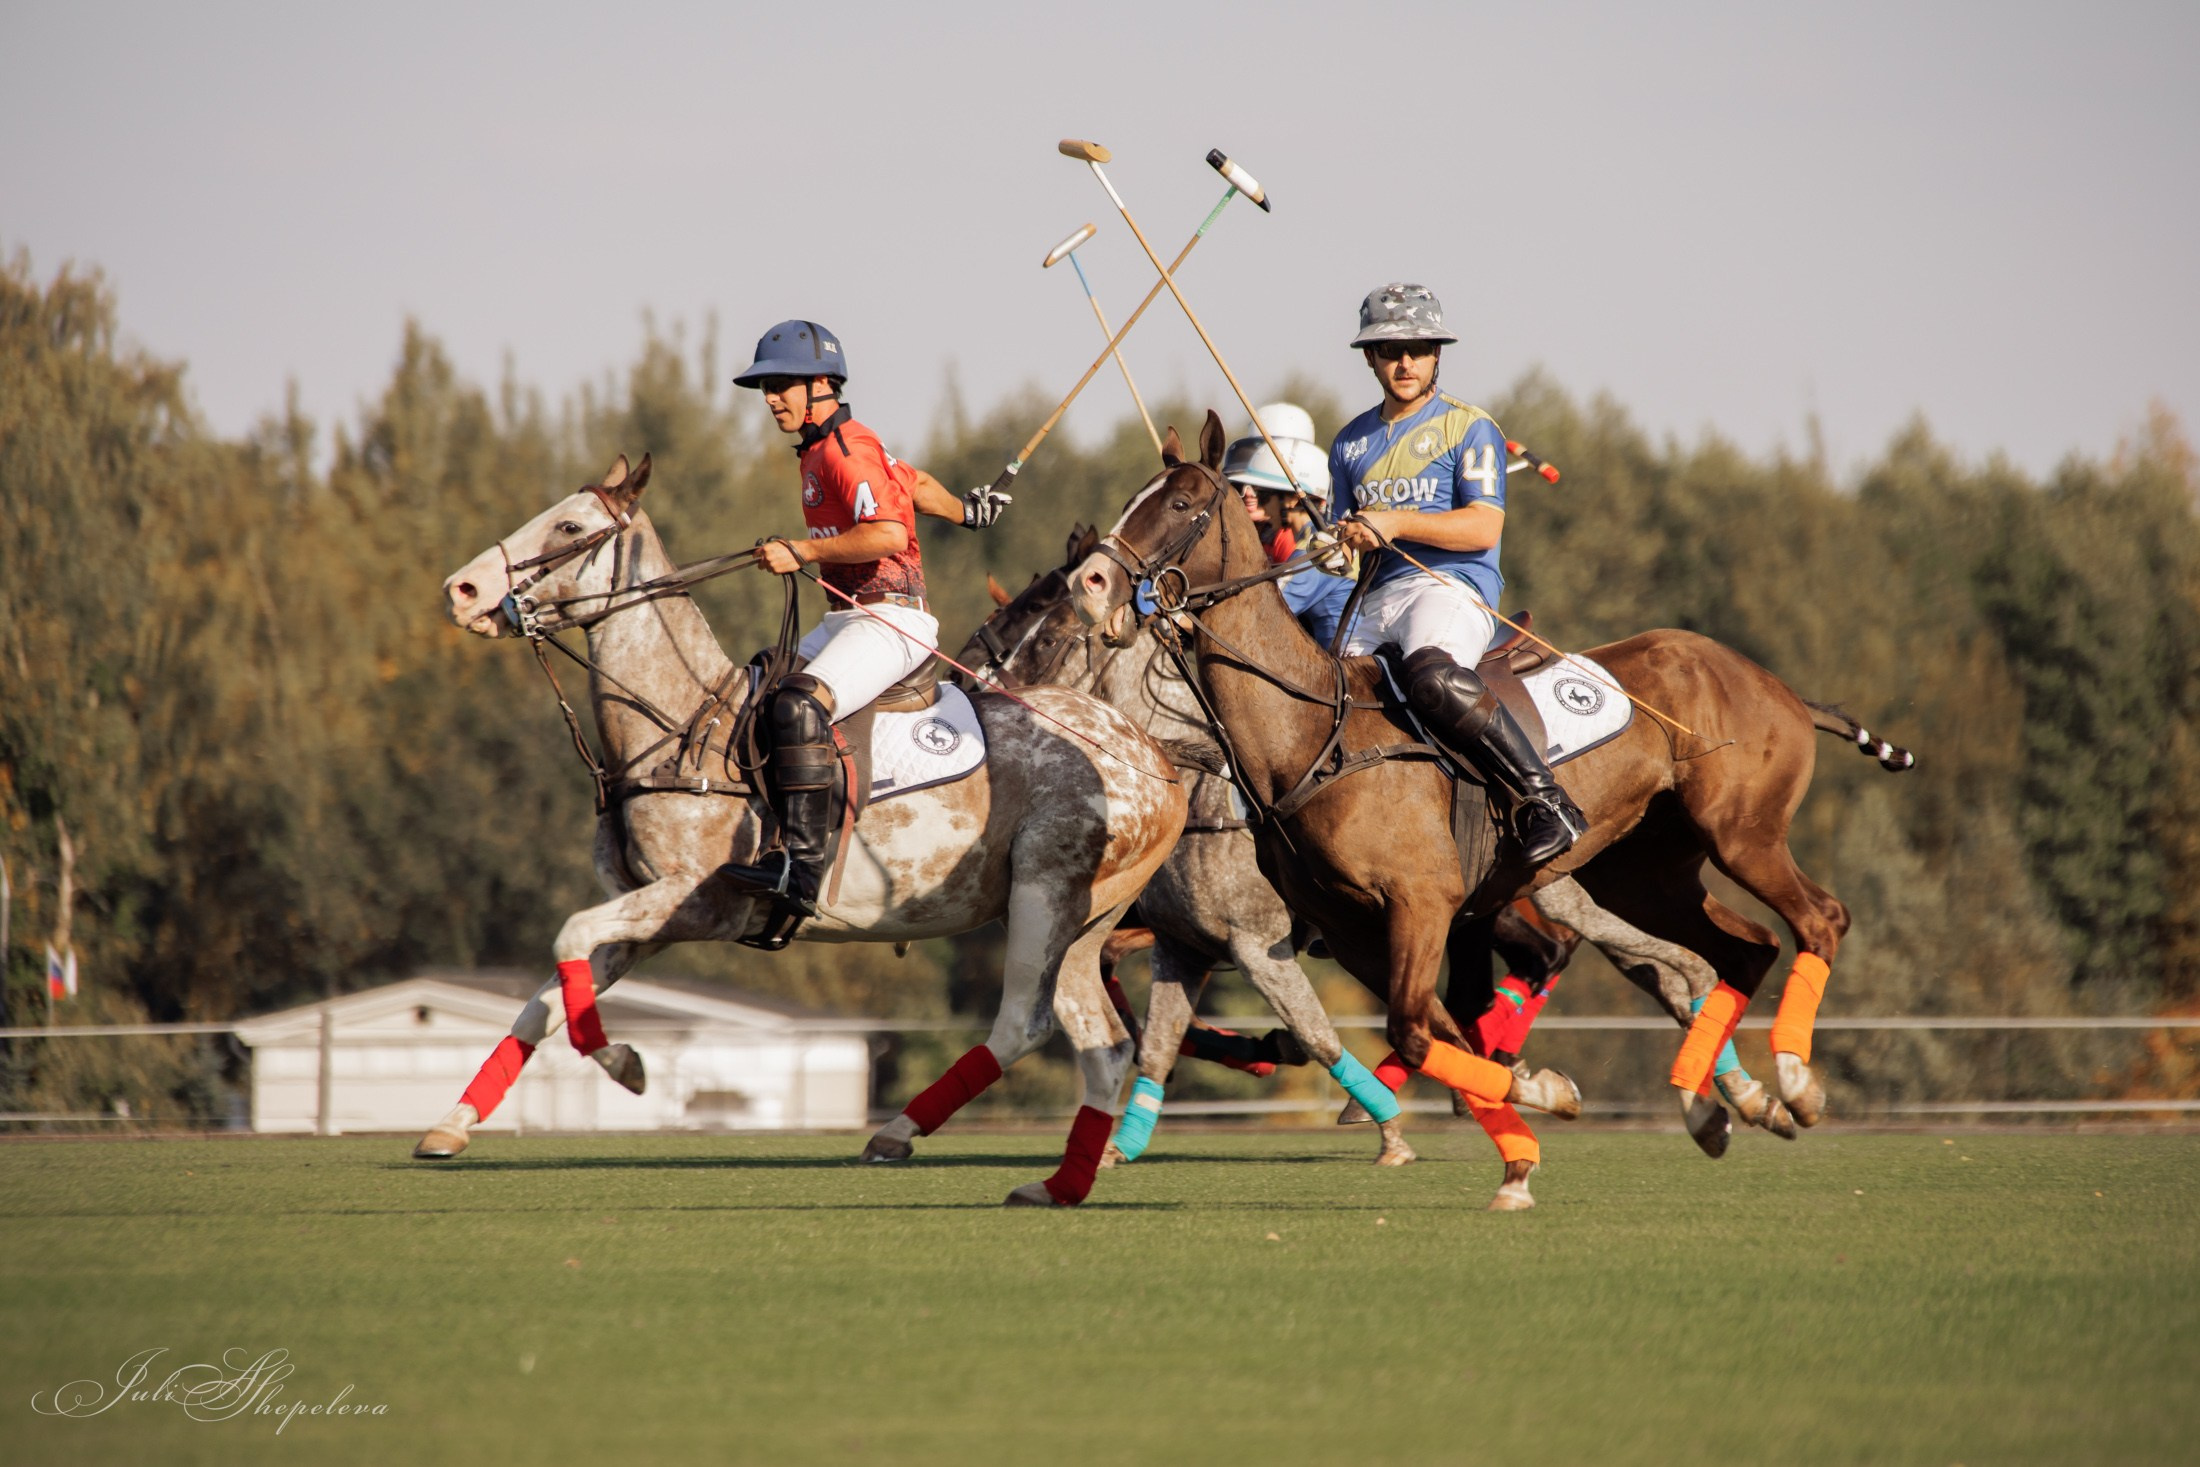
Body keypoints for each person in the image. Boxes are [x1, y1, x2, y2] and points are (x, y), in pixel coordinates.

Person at [718, 319, 1008, 909]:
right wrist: (965, 514)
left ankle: (800, 873)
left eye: (781, 385)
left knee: (800, 704)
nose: (771, 399)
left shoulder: (845, 451)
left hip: (893, 620)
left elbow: (887, 532)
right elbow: (915, 482)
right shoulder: (828, 448)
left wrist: (803, 551)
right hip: (849, 618)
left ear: (821, 383)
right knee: (760, 680)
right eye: (766, 388)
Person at [1328, 284, 1584, 864]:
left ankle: (1546, 801)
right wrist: (1338, 541)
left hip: (1450, 588)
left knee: (1431, 678)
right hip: (1372, 597)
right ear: (1369, 358)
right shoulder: (1349, 443)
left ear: (1437, 354)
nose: (1404, 362)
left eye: (1418, 348)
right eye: (1390, 350)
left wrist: (1392, 521)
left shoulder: (1469, 427)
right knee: (1321, 702)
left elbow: (1482, 529)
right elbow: (1342, 549)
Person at [1222, 402, 1357, 649]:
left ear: (1295, 498)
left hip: (1348, 669)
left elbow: (1265, 612)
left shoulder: (1316, 549)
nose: (1255, 501)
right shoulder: (1312, 539)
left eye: (1265, 495)